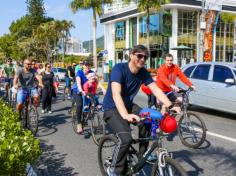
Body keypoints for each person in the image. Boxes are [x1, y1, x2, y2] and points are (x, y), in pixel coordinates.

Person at [102, 45, 179, 175]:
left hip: (128, 105)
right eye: (139, 56)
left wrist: (171, 105)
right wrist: (125, 115)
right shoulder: (119, 69)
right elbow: (116, 94)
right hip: (112, 108)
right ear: (131, 55)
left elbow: (155, 90)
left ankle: (143, 155)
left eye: (145, 57)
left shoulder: (143, 72)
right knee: (125, 138)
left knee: (147, 121)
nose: (142, 59)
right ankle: (114, 169)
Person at [71, 61, 94, 133]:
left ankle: (86, 116)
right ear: (83, 66)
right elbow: (78, 82)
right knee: (79, 105)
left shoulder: (91, 72)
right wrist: (81, 90)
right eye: (86, 65)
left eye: (89, 65)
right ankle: (79, 123)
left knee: (92, 103)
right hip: (77, 90)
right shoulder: (79, 72)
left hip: (86, 91)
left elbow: (96, 81)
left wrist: (102, 89)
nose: (87, 67)